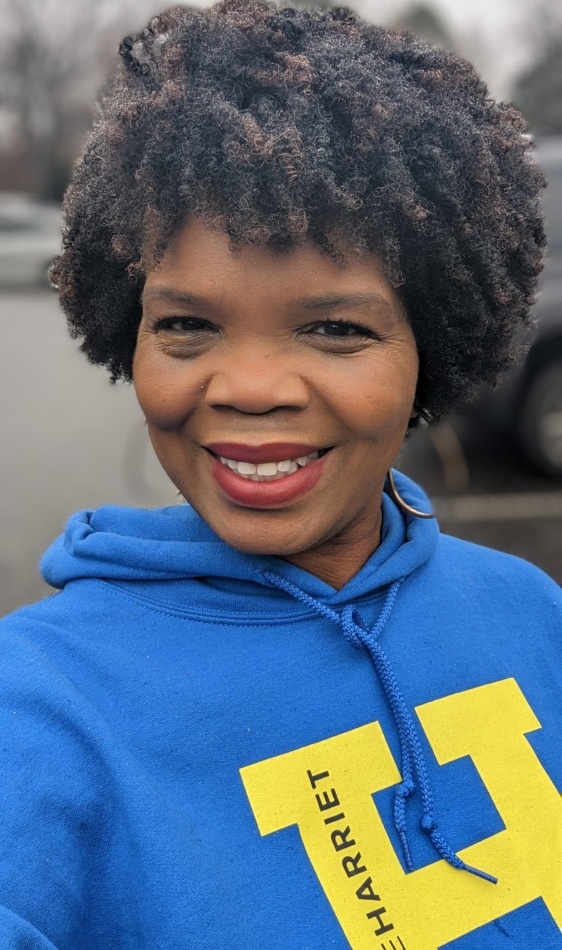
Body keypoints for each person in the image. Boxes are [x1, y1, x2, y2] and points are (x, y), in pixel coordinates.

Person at [1, 0, 561, 946]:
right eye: (187, 325)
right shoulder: (39, 705)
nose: (251, 389)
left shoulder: (532, 611)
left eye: (335, 328)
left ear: (431, 348)